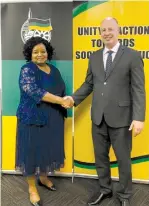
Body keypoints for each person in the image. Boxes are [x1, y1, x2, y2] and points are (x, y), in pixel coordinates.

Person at [63, 17, 145, 206]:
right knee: (101, 157)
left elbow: (139, 89)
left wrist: (139, 118)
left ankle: (124, 196)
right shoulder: (94, 57)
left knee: (123, 160)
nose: (106, 33)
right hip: (98, 117)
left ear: (118, 31)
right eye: (103, 30)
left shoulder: (132, 56)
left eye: (110, 29)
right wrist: (73, 98)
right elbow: (89, 84)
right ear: (100, 34)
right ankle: (105, 190)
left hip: (122, 119)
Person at [15, 37, 69, 206]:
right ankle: (32, 188)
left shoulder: (54, 70)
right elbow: (35, 92)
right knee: (31, 153)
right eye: (35, 52)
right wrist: (61, 101)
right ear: (29, 54)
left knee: (47, 149)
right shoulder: (27, 69)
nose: (40, 55)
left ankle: (43, 178)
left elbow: (61, 91)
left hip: (53, 118)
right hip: (32, 118)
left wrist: (65, 101)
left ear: (48, 53)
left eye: (43, 51)